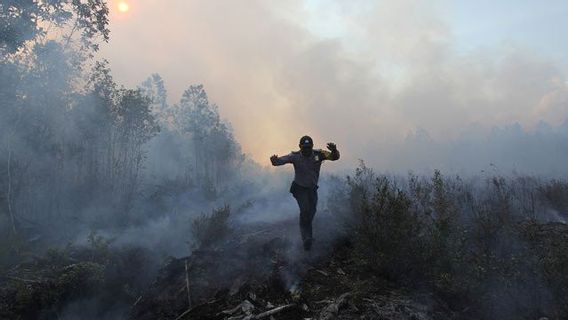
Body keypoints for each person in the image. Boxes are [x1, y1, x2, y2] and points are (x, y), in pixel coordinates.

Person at [270, 135, 340, 251]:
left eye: (309, 147)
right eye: (304, 148)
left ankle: (307, 237)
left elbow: (334, 157)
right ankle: (306, 239)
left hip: (312, 189)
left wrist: (334, 150)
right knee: (305, 211)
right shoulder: (295, 156)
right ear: (300, 147)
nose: (307, 150)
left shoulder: (319, 154)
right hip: (299, 188)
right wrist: (274, 161)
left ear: (312, 147)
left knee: (312, 212)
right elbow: (280, 161)